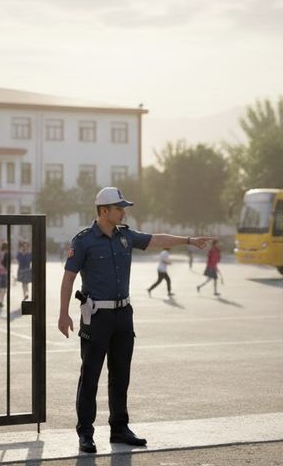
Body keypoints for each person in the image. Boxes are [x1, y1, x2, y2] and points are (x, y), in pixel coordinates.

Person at [58, 186, 213, 454]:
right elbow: (69, 277)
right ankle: (86, 433)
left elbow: (155, 239)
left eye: (123, 208)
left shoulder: (126, 236)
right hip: (96, 316)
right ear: (104, 210)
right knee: (91, 375)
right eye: (118, 208)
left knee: (121, 374)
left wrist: (188, 240)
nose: (122, 212)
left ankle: (119, 428)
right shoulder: (83, 240)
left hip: (123, 315)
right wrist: (63, 313)